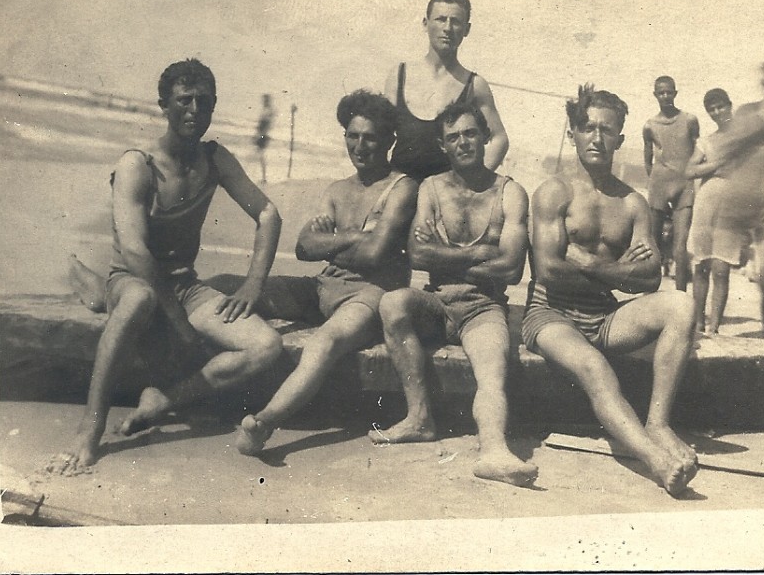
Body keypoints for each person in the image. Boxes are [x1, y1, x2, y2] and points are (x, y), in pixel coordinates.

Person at [48, 59, 285, 475]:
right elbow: (137, 254)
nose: (195, 110)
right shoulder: (137, 165)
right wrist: (177, 321)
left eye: (204, 102)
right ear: (164, 105)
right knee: (137, 298)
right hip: (134, 279)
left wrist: (253, 284)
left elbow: (268, 214)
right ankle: (90, 430)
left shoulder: (214, 159)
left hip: (186, 286)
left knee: (267, 346)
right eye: (184, 100)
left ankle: (165, 399)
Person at [220, 90, 419, 456]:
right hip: (323, 286)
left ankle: (264, 423)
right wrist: (356, 237)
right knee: (232, 289)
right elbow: (302, 247)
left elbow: (375, 255)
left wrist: (333, 241)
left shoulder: (401, 188)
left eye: (370, 137)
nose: (360, 146)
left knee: (324, 342)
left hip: (369, 294)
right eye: (352, 136)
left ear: (389, 140)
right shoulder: (337, 189)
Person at [524, 84, 698, 496]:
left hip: (604, 316)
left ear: (620, 138)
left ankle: (658, 422)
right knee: (593, 366)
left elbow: (650, 278)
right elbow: (549, 271)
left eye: (606, 130)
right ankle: (655, 460)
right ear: (573, 133)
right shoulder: (555, 192)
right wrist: (620, 270)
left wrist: (593, 263)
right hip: (552, 314)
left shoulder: (633, 203)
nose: (596, 138)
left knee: (682, 306)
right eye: (587, 128)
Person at [369, 102, 537, 488]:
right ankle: (419, 418)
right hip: (437, 302)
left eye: (470, 133)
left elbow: (511, 268)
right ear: (443, 146)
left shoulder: (509, 192)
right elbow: (416, 254)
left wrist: (445, 257)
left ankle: (493, 452)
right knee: (393, 302)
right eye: (453, 137)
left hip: (484, 307)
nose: (462, 143)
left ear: (484, 138)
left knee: (491, 376)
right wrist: (478, 253)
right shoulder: (431, 187)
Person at [707, 60, 764, 339]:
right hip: (733, 201)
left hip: (761, 208)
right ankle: (712, 331)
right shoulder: (748, 113)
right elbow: (726, 146)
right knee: (719, 269)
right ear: (761, 81)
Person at [383, 0, 508, 180]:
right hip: (400, 190)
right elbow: (380, 134)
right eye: (441, 19)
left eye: (456, 21)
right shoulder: (399, 75)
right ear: (426, 23)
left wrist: (472, 181)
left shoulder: (474, 85)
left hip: (444, 198)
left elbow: (499, 139)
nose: (448, 28)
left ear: (466, 29)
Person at [684, 88, 737, 334]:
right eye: (712, 110)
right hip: (706, 204)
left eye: (720, 107)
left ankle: (714, 328)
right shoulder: (707, 141)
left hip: (732, 208)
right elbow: (689, 170)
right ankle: (697, 323)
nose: (717, 113)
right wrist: (717, 165)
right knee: (701, 265)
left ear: (730, 105)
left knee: (721, 268)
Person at [642, 76, 699, 291]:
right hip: (659, 185)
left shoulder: (689, 120)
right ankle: (650, 295)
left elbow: (697, 152)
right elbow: (647, 160)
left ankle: (681, 298)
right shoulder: (649, 125)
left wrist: (687, 178)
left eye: (669, 92)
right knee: (654, 244)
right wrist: (657, 182)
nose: (665, 96)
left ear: (675, 93)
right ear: (655, 95)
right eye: (661, 93)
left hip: (684, 187)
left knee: (679, 248)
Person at [255, 93, 275, 185]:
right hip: (261, 135)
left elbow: (267, 125)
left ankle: (264, 178)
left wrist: (260, 135)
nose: (263, 102)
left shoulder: (268, 111)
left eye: (264, 100)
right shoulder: (267, 110)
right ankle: (263, 177)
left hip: (262, 135)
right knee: (260, 156)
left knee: (261, 157)